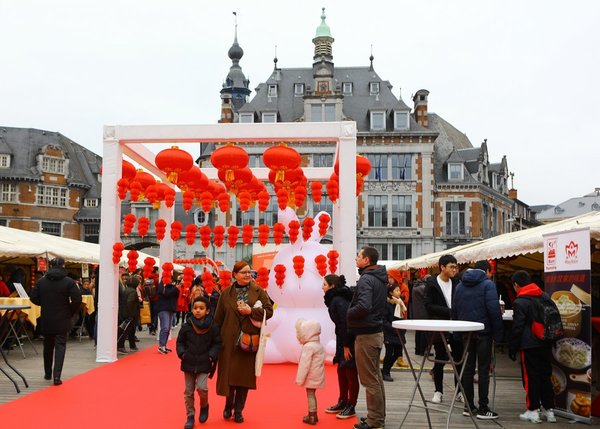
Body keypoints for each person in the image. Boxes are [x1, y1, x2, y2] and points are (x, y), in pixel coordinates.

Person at [214, 261, 273, 423]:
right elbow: (218, 319)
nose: (248, 275)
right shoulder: (226, 293)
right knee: (229, 377)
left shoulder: (258, 291)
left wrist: (251, 311)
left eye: (249, 272)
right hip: (228, 340)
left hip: (248, 341)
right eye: (244, 272)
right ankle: (228, 405)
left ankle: (239, 410)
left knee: (244, 379)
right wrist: (214, 340)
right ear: (235, 275)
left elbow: (269, 311)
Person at [452, 260, 503, 419]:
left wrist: (455, 334)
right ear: (487, 271)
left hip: (466, 333)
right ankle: (483, 407)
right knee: (483, 370)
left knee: (467, 371)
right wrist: (499, 335)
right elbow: (494, 311)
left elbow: (454, 310)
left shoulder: (460, 286)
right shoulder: (488, 285)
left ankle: (468, 407)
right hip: (483, 332)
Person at [347, 246, 388, 429]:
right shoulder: (379, 278)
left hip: (366, 334)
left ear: (366, 260)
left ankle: (375, 421)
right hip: (375, 332)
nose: (356, 259)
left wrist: (348, 313)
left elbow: (364, 305)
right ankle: (377, 417)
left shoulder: (366, 279)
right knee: (376, 378)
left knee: (370, 380)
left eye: (358, 256)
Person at [508, 270, 557, 423]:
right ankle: (549, 411)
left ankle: (533, 410)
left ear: (516, 285)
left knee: (531, 377)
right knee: (545, 375)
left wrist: (512, 347)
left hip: (529, 344)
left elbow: (518, 327)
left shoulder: (520, 301)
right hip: (546, 341)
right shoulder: (544, 296)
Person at [29, 257, 81, 385]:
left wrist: (44, 303)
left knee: (47, 346)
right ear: (63, 266)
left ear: (51, 266)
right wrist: (70, 311)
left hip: (47, 317)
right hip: (63, 318)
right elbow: (77, 299)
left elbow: (33, 298)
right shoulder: (68, 281)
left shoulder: (42, 281)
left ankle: (47, 373)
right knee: (60, 346)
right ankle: (56, 377)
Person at [176, 296, 222, 428]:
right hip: (188, 362)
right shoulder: (187, 326)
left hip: (204, 362)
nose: (197, 311)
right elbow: (180, 342)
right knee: (188, 391)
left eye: (201, 308)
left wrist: (211, 356)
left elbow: (217, 343)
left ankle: (204, 405)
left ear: (207, 311)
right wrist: (182, 354)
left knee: (202, 388)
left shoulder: (213, 326)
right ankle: (190, 416)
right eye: (195, 308)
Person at [424, 254, 463, 404]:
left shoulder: (458, 282)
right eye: (452, 266)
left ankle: (459, 391)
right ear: (442, 267)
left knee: (458, 360)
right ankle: (438, 391)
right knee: (439, 359)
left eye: (456, 266)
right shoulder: (432, 283)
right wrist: (450, 312)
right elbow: (429, 306)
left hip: (457, 327)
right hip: (439, 327)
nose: (455, 269)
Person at [322, 274, 359, 419]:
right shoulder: (334, 298)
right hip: (342, 337)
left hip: (348, 338)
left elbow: (345, 323)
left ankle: (351, 404)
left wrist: (346, 345)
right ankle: (343, 401)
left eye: (324, 284)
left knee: (349, 370)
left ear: (332, 286)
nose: (322, 287)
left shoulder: (338, 300)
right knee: (342, 369)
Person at [295, 319, 326, 425]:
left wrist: (299, 379)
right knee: (312, 394)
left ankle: (312, 415)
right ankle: (314, 415)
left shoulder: (308, 347)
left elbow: (305, 365)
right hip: (317, 375)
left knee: (310, 395)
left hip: (310, 376)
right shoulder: (319, 345)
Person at [381, 281, 406, 382]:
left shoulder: (400, 303)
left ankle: (385, 369)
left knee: (398, 353)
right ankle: (386, 371)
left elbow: (401, 318)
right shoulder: (387, 304)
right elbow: (384, 320)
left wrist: (402, 328)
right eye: (397, 290)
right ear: (391, 293)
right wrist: (393, 327)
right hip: (390, 332)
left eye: (399, 290)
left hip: (399, 332)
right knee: (389, 353)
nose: (399, 292)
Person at [386, 269, 410, 370]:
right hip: (390, 323)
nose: (389, 279)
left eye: (391, 277)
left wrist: (397, 298)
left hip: (400, 318)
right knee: (391, 346)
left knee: (398, 343)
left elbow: (406, 299)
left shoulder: (403, 286)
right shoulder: (388, 288)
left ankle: (399, 358)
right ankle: (388, 366)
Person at [156, 278, 180, 354]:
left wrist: (176, 288)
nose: (170, 279)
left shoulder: (172, 287)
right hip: (163, 309)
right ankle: (161, 346)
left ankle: (164, 345)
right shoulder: (161, 286)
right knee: (165, 328)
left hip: (171, 309)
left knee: (168, 328)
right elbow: (166, 293)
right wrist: (175, 288)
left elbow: (176, 294)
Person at [117, 275, 140, 354]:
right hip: (129, 314)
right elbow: (130, 303)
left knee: (129, 330)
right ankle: (120, 346)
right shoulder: (133, 291)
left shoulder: (126, 290)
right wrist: (131, 314)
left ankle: (132, 345)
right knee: (126, 331)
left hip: (124, 313)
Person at [410, 273, 429, 356]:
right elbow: (427, 298)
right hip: (423, 312)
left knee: (418, 332)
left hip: (416, 312)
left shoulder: (415, 286)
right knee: (424, 332)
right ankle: (422, 350)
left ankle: (417, 349)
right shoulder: (423, 288)